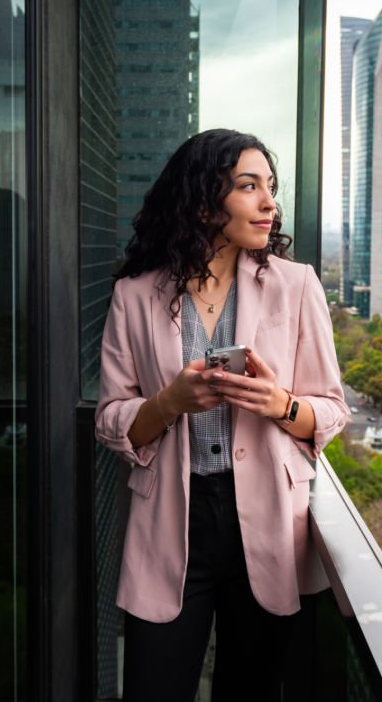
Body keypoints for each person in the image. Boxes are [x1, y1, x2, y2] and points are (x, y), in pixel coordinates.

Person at [95, 129, 348, 701]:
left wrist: (280, 405)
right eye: (249, 186)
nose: (269, 203)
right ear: (205, 201)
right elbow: (109, 418)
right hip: (171, 520)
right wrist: (168, 403)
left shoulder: (296, 285)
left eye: (271, 187)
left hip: (269, 521)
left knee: (250, 690)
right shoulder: (134, 295)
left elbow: (332, 410)